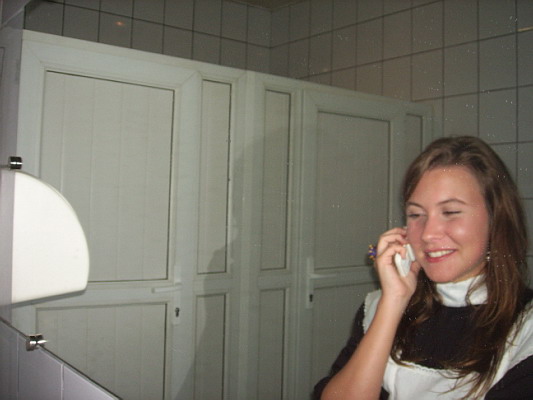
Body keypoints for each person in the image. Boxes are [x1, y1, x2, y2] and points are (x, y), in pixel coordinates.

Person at [313, 136, 533, 399]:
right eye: (416, 215)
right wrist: (394, 301)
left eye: (450, 212)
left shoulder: (526, 327)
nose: (427, 234)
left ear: (497, 220)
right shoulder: (379, 306)